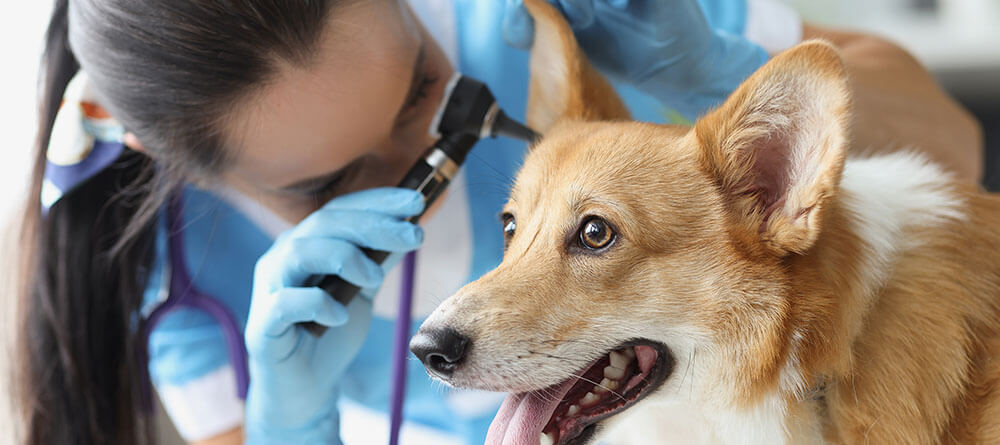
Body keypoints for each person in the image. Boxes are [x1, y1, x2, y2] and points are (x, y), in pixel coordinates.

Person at [14, 1, 982, 445]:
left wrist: (712, 68)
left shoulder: (534, 20)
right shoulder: (171, 269)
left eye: (422, 92)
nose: (425, 167)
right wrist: (289, 422)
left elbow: (957, 144)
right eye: (332, 181)